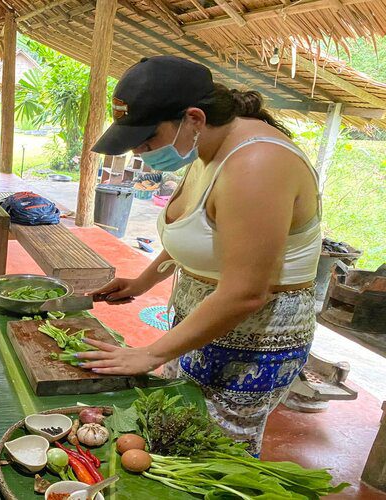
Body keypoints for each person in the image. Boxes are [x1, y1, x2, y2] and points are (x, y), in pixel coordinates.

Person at [83, 56, 321, 456]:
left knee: (213, 455)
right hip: (200, 322)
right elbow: (199, 233)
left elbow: (246, 293)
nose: (141, 151)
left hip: (250, 338)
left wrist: (150, 352)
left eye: (147, 139)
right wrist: (143, 282)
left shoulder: (257, 164)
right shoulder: (205, 146)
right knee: (177, 431)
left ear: (193, 118)